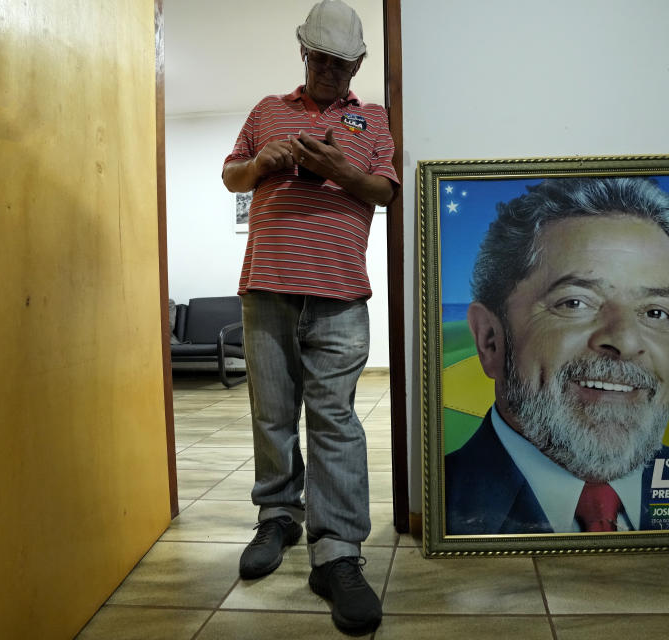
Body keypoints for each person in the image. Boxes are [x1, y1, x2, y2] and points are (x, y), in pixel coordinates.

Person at [220, 1, 398, 634]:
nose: (328, 72)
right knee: (271, 414)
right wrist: (266, 163)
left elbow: (385, 190)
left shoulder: (372, 119)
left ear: (357, 64)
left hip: (341, 294)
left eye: (340, 63)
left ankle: (338, 554)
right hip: (265, 290)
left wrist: (336, 169)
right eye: (319, 59)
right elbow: (231, 176)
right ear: (304, 54)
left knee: (335, 422)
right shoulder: (267, 110)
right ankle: (278, 521)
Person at [446, 177, 669, 535]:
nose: (626, 341)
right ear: (490, 340)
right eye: (574, 303)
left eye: (656, 312)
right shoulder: (445, 508)